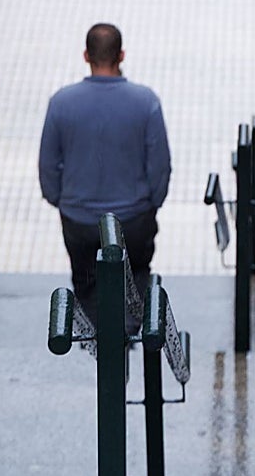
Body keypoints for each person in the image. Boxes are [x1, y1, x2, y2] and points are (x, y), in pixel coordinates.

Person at [38, 23, 171, 331]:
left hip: (79, 218)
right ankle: (127, 331)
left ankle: (101, 341)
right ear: (121, 54)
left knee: (86, 283)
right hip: (134, 216)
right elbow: (160, 164)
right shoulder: (145, 101)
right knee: (136, 274)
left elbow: (48, 163)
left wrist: (59, 198)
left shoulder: (61, 102)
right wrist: (153, 201)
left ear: (86, 55)